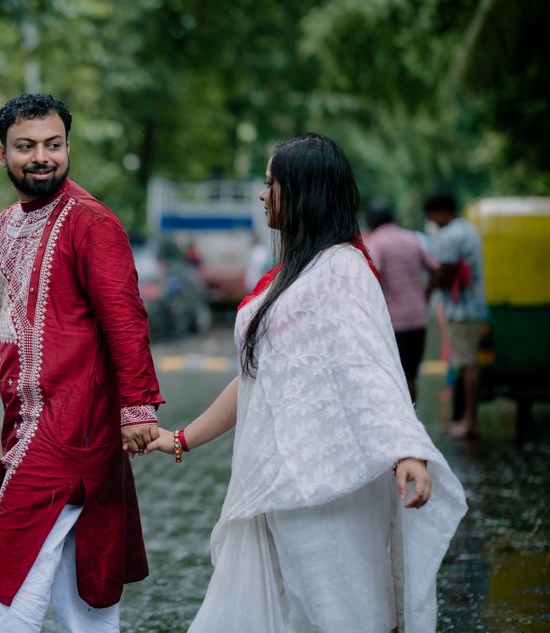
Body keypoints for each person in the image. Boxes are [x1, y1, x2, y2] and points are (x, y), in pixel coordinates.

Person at [143, 133, 466, 632]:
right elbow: (256, 380)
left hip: (328, 485)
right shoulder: (292, 276)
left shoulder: (341, 270)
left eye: (271, 183)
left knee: (340, 613)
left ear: (302, 192)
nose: (261, 194)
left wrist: (406, 450)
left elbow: (370, 368)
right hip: (280, 483)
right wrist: (181, 438)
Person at [0, 93, 164, 632]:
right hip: (26, 423)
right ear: (2, 154)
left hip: (75, 428)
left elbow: (125, 318)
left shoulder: (91, 222)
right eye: (26, 147)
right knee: (81, 592)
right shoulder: (3, 228)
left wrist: (138, 406)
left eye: (53, 145)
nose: (41, 157)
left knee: (12, 575)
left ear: (68, 147)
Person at [424, 191, 488, 439]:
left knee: (467, 363)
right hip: (470, 307)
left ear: (441, 211)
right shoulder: (468, 229)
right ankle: (465, 419)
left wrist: (427, 291)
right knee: (465, 362)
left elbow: (445, 271)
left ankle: (469, 421)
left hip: (463, 310)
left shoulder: (451, 234)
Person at [365, 199, 439, 403]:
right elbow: (435, 268)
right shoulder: (412, 238)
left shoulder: (376, 242)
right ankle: (413, 419)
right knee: (410, 375)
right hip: (419, 319)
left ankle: (401, 424)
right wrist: (426, 294)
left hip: (394, 322)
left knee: (394, 376)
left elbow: (373, 275)